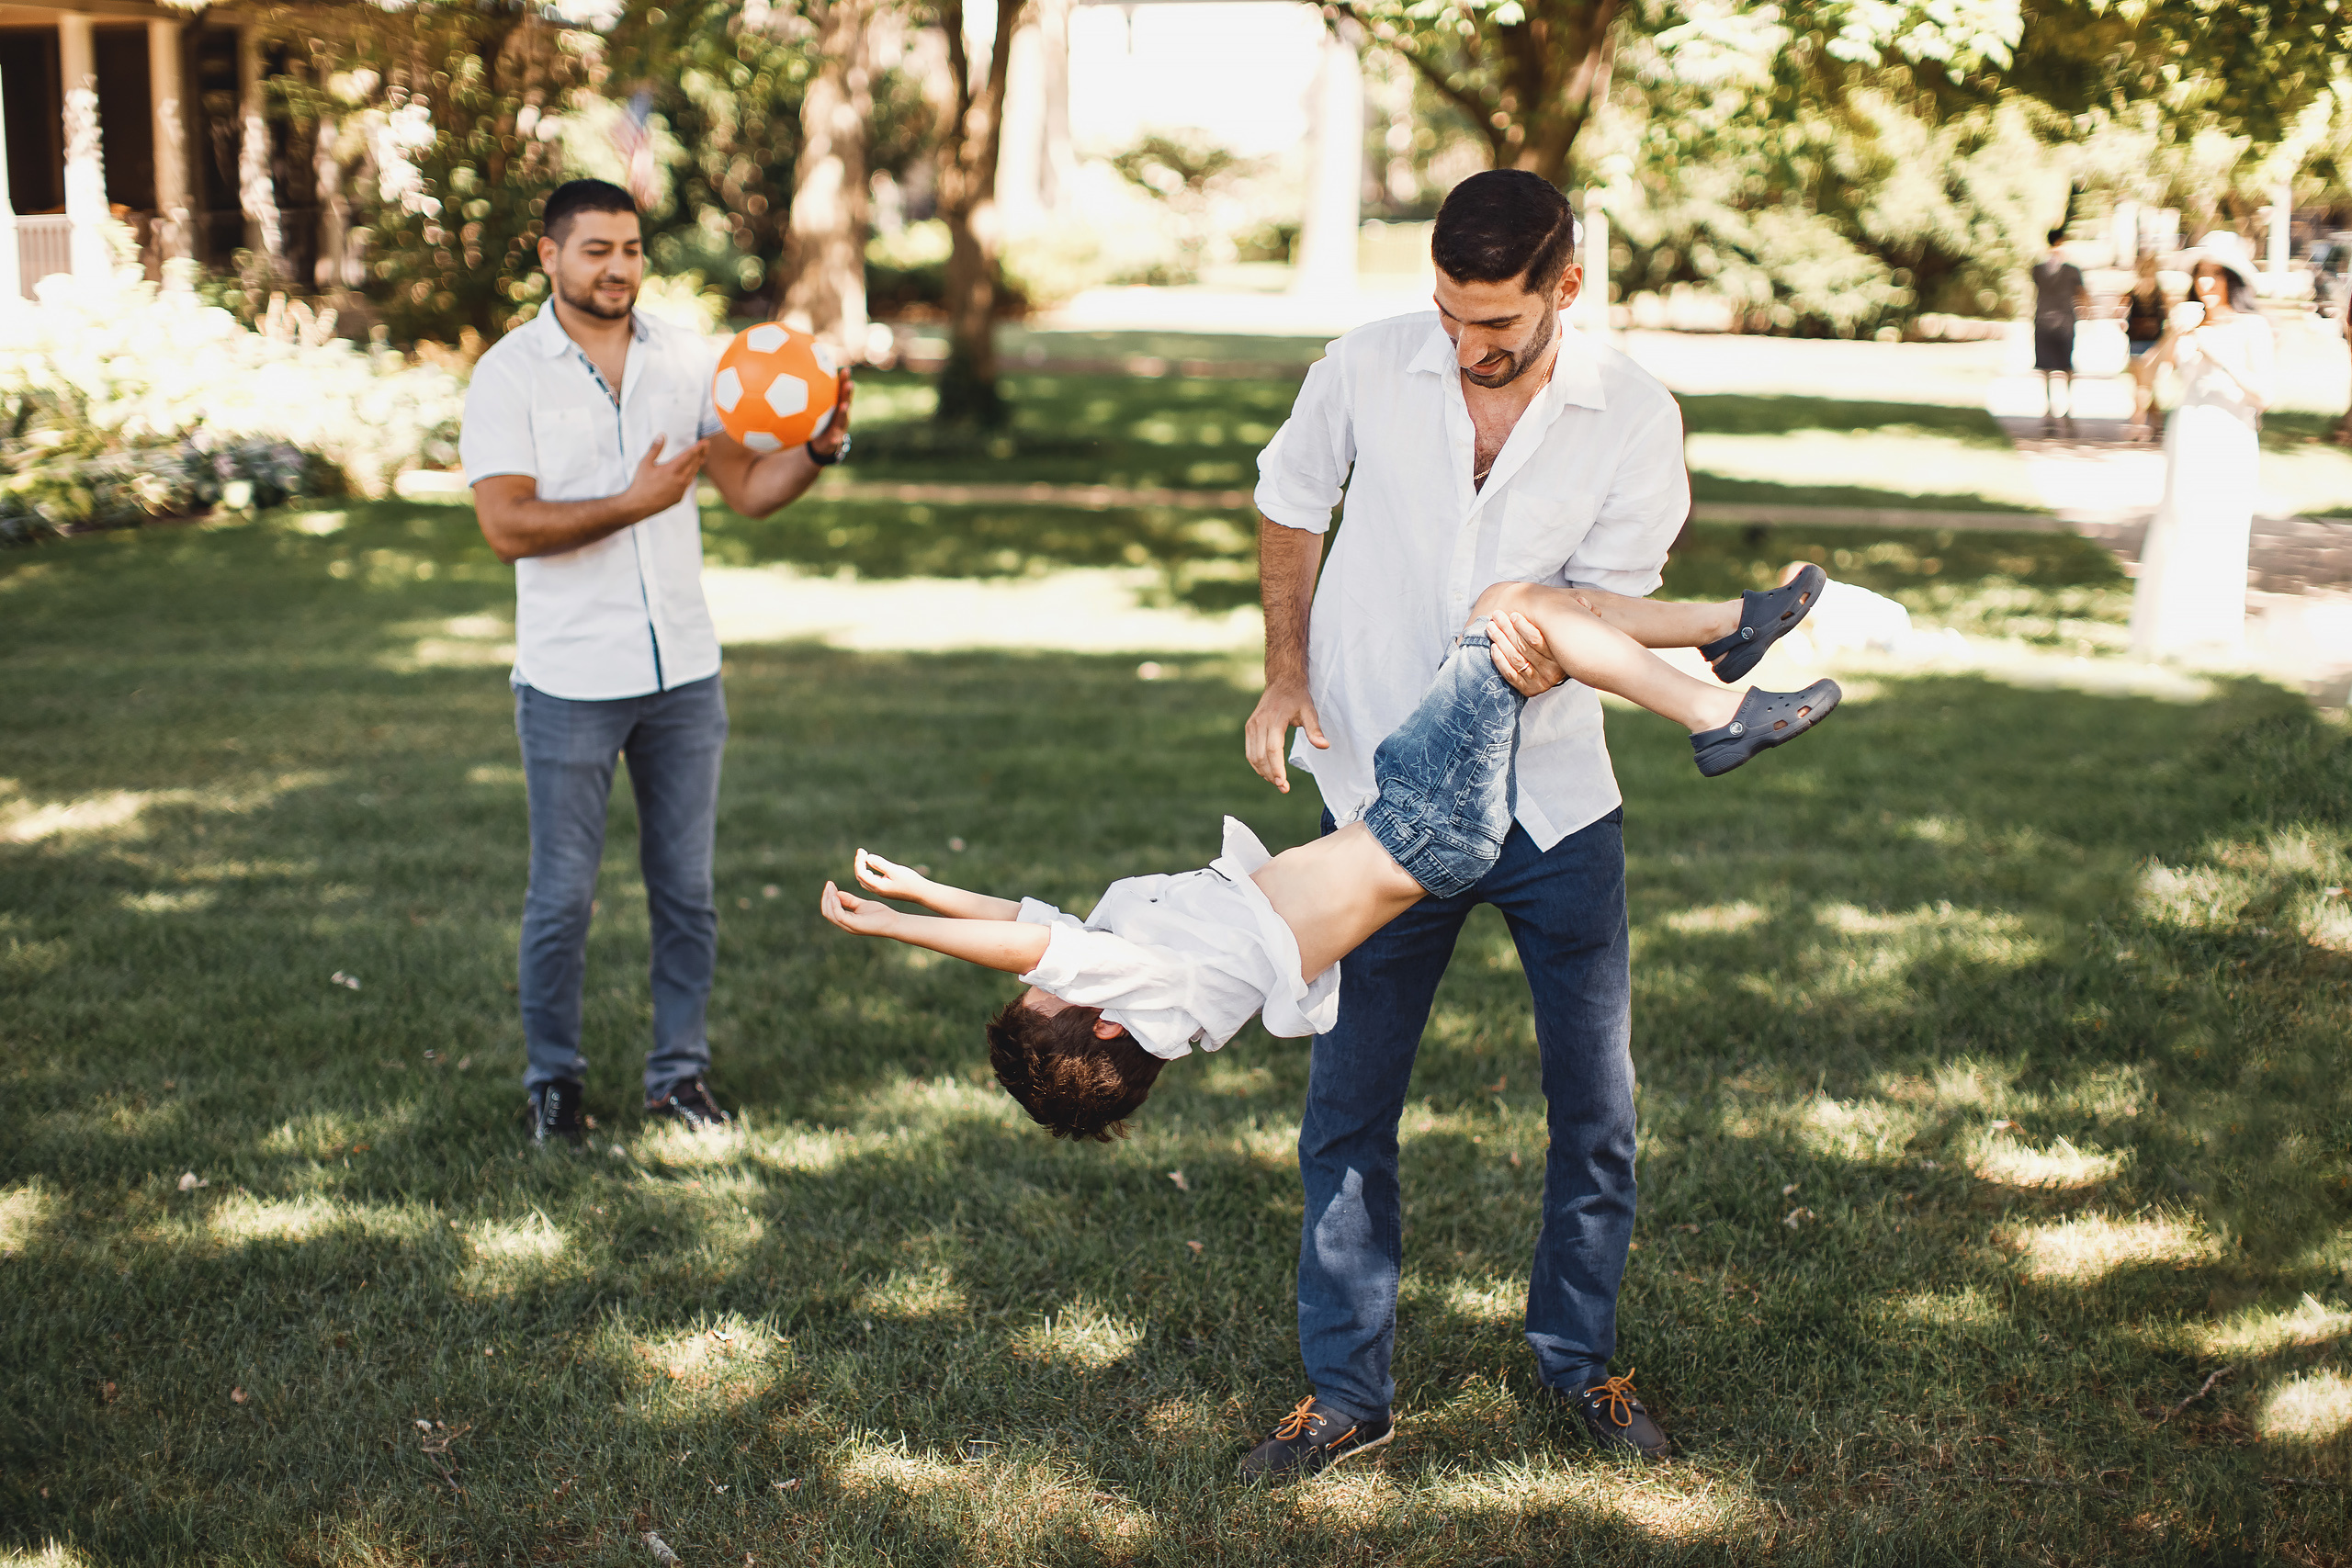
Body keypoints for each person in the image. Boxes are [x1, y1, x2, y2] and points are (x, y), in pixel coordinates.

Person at [1241, 169, 1692, 1480]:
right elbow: (1288, 498)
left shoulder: (1635, 415)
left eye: (1495, 322)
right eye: (1448, 312)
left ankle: (1577, 1363)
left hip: (1555, 800)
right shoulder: (1370, 366)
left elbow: (1611, 608)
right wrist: (1284, 667)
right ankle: (1344, 1395)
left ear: (1569, 282)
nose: (1468, 346)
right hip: (1378, 801)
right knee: (1349, 1106)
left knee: (1593, 1104)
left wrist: (1555, 639)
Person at [817, 571, 1837, 1140]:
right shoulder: (1162, 995)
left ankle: (1730, 630)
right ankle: (1716, 713)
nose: (1054, 961)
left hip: (1403, 813)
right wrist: (895, 930)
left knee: (1514, 603)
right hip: (1424, 828)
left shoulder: (1135, 978)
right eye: (1048, 992)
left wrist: (921, 886)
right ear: (1096, 1019)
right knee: (1517, 614)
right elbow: (1033, 951)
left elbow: (1021, 924)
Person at [459, 179, 855, 1145]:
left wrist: (822, 447)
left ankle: (678, 1078)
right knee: (562, 898)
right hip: (568, 683)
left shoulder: (685, 360)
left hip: (683, 672)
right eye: (595, 250)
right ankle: (553, 1083)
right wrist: (633, 503)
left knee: (688, 894)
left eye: (630, 248)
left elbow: (752, 490)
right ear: (549, 256)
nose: (618, 268)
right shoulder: (510, 375)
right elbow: (505, 524)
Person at [2128, 231, 2276, 662]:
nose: (2206, 286)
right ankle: (2165, 629)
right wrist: (2173, 335)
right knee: (2177, 521)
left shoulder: (2253, 326)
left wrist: (2223, 359)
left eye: (2215, 276)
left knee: (2222, 525)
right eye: (2201, 276)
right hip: (2190, 429)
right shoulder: (2189, 321)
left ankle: (2213, 633)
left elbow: (2265, 394)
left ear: (2233, 280)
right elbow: (2145, 373)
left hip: (2230, 432)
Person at [2030, 227, 2090, 433]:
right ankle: (2048, 410)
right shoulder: (2038, 269)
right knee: (2045, 367)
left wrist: (2084, 313)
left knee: (2066, 367)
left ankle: (2067, 409)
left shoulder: (2072, 270)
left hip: (2064, 322)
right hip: (2044, 321)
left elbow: (2082, 294)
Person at [2122, 252, 2170, 442]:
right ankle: (2156, 423)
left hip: (2138, 343)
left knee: (2142, 387)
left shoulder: (2133, 291)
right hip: (2153, 344)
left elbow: (2122, 315)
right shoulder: (2160, 293)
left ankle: (2138, 425)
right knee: (2147, 386)